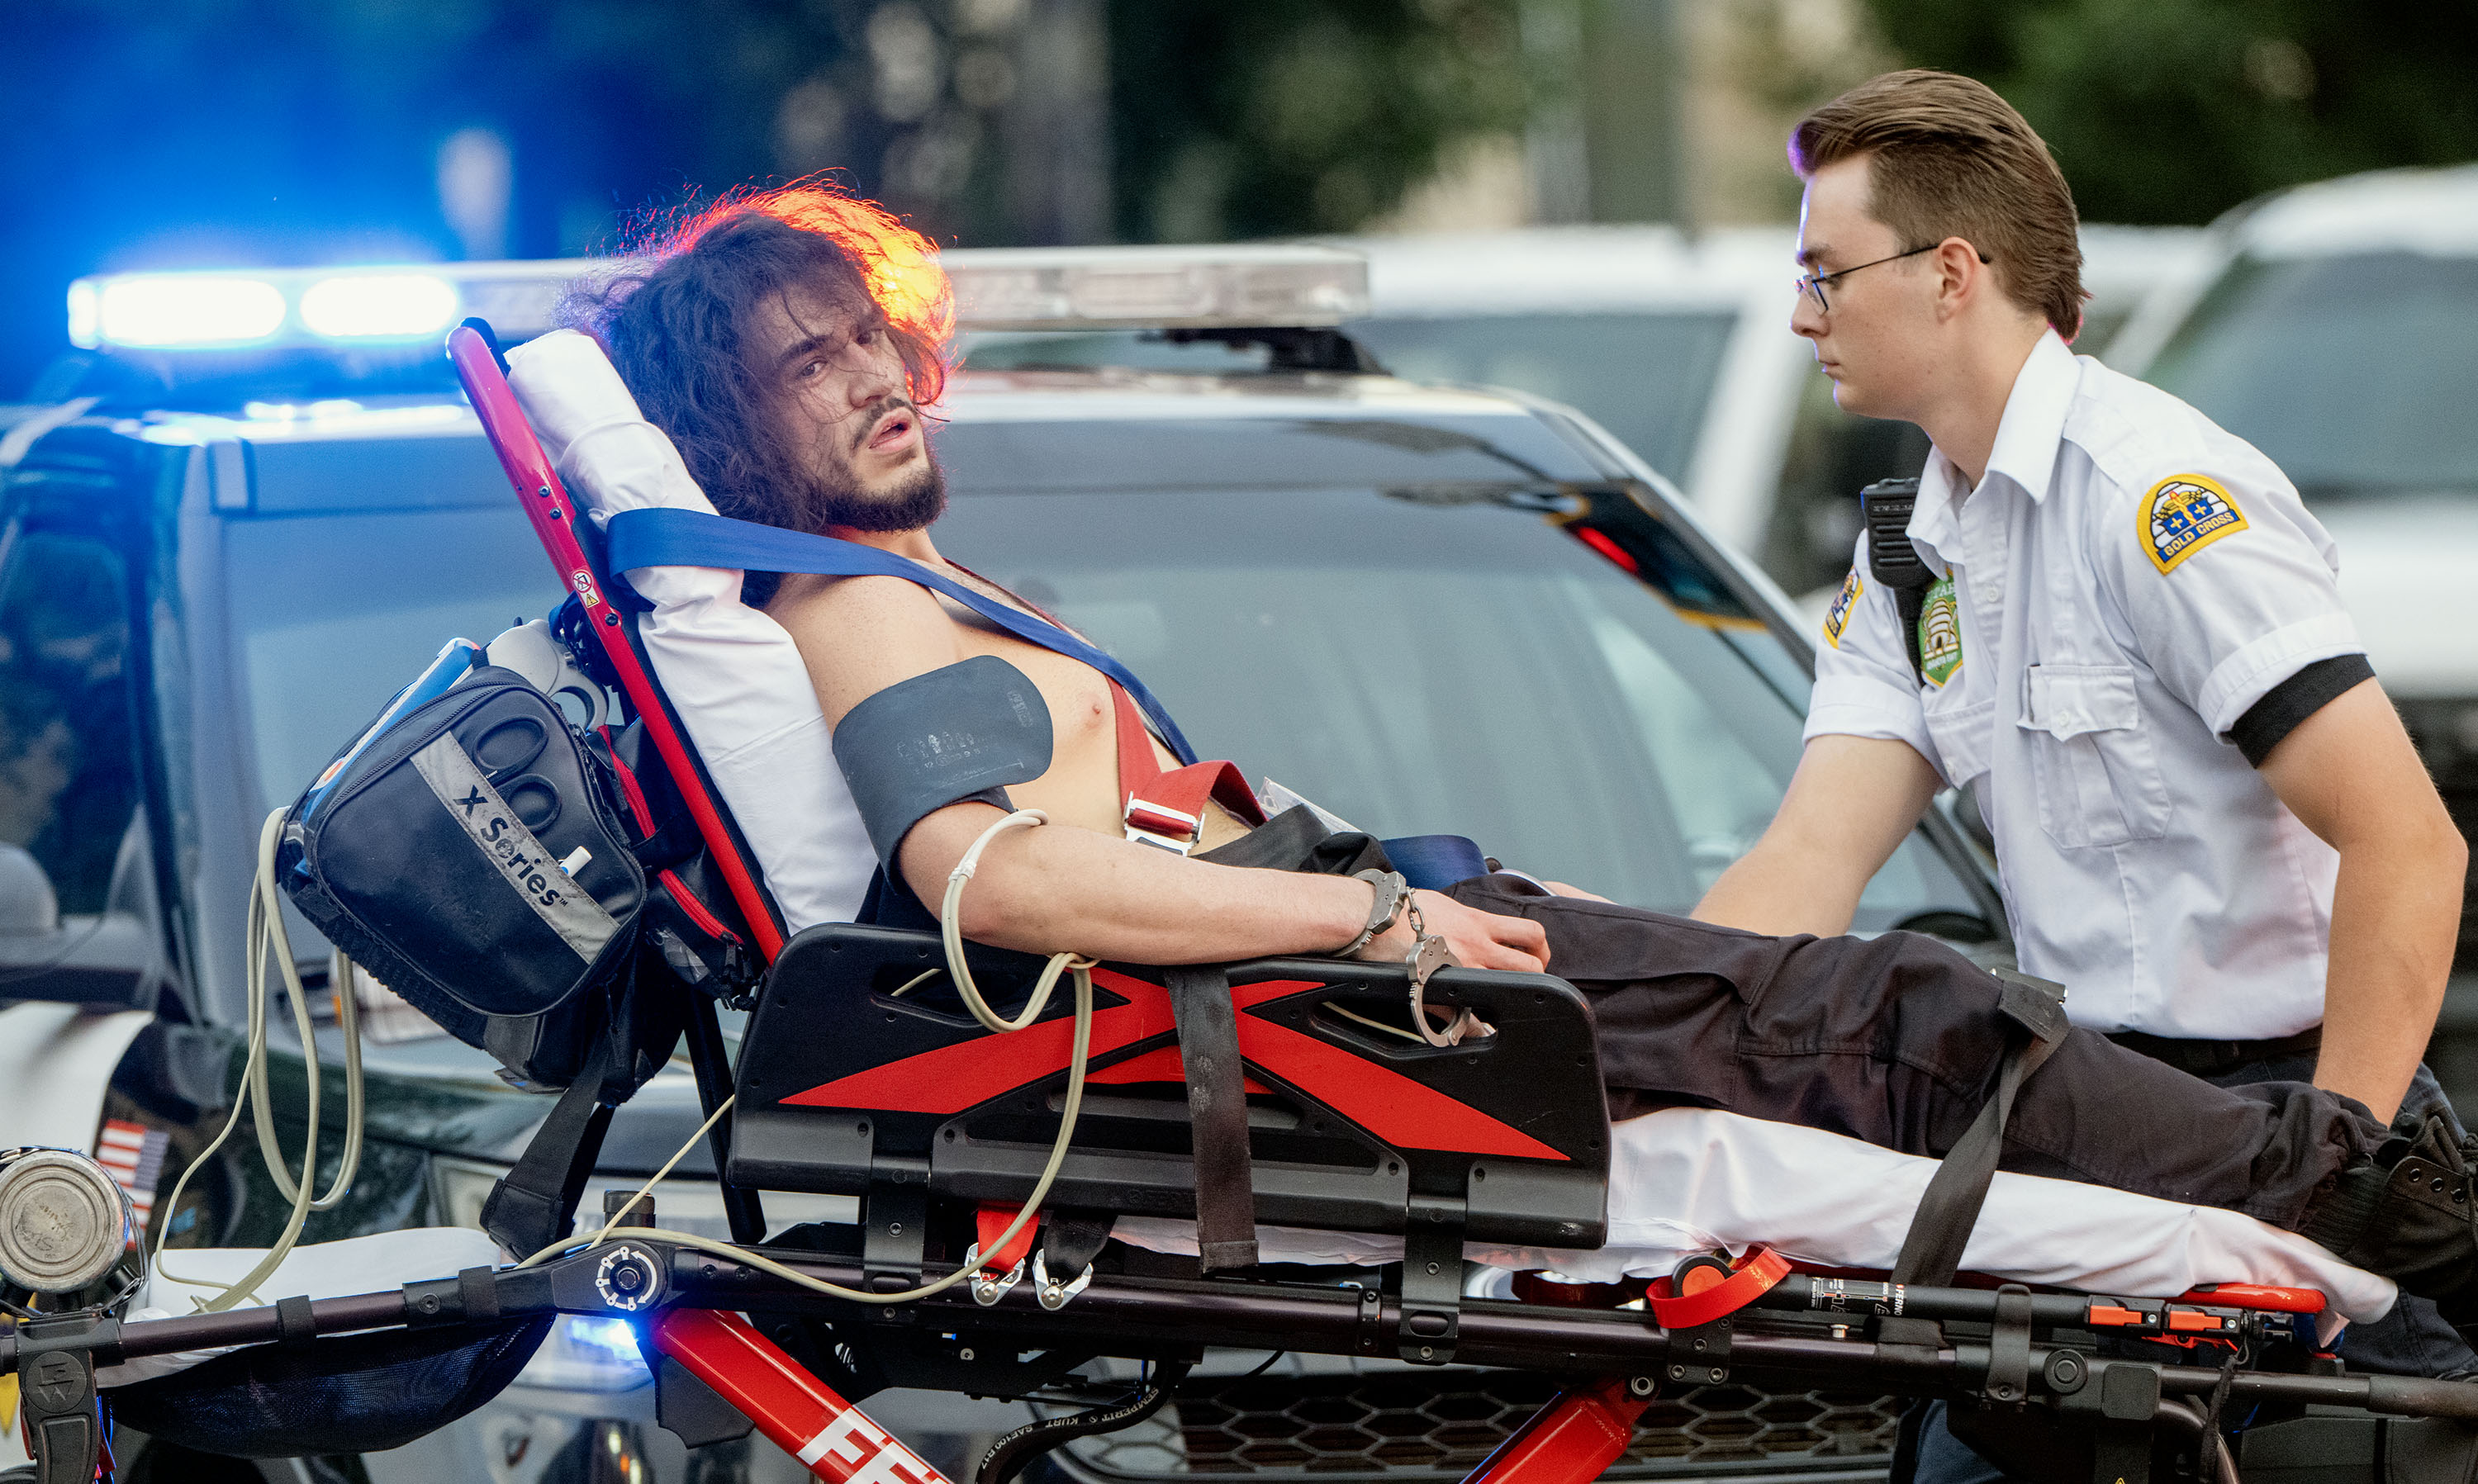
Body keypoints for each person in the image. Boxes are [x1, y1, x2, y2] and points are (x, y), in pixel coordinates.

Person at [571, 185, 2478, 1327]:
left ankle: (2326, 1184)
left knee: (1865, 1008)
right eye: (804, 365)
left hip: (1355, 987)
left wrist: (1436, 903)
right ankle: (2353, 1197)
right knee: (1903, 1019)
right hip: (1336, 1019)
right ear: (729, 437)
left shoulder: (904, 587)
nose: (875, 373)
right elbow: (999, 879)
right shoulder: (856, 610)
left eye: (868, 331)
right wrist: (1381, 919)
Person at [1684, 69, 2473, 1472]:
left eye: (1824, 273)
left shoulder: (2158, 499)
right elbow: (1807, 861)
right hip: (2082, 1116)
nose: (1804, 314)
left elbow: (2410, 842)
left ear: (1950, 273)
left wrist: (2322, 1185)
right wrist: (1617, 1014)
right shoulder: (1914, 552)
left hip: (2288, 1118)